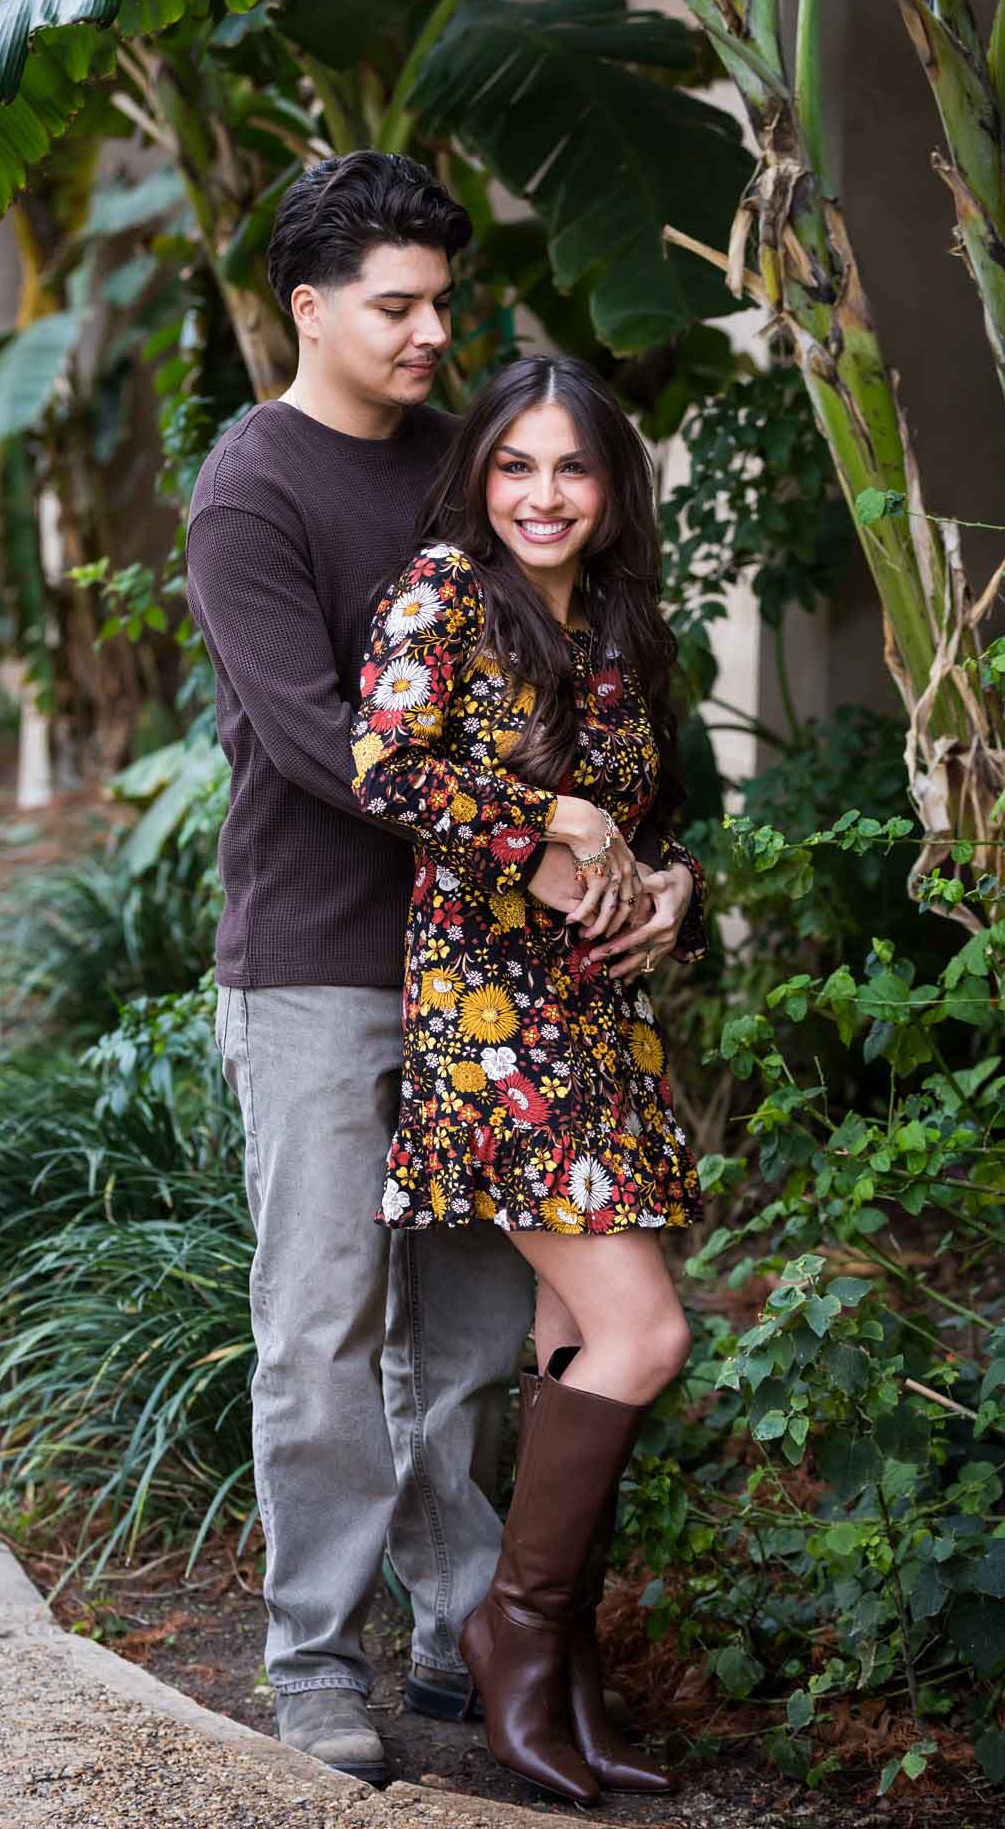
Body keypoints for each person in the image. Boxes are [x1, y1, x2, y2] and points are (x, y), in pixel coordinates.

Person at [186, 151, 651, 1787]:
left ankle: (470, 1639)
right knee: (320, 1329)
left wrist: (636, 872)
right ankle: (313, 1663)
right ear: (309, 309)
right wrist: (534, 836)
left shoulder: (473, 469)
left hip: (497, 986)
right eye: (397, 305)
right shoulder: (253, 485)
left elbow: (571, 681)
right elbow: (322, 735)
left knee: (458, 1342)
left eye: (442, 302)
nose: (429, 332)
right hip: (317, 961)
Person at [350, 354, 708, 1805]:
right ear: (478, 478)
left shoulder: (617, 622)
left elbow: (661, 821)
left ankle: (558, 1677)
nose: (542, 496)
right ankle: (509, 1629)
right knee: (645, 1333)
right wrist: (538, 810)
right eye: (515, 466)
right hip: (493, 1027)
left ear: (609, 484)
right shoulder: (443, 591)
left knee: (572, 1339)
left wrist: (674, 883)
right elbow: (384, 766)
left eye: (570, 469)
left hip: (601, 1027)